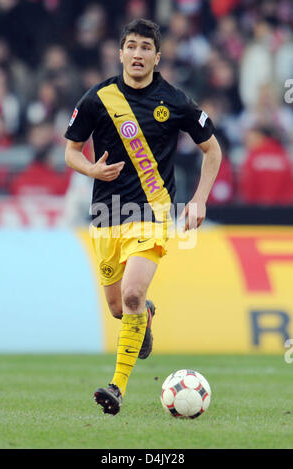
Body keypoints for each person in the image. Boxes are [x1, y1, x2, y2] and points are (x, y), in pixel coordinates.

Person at [64, 19, 221, 415]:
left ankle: (116, 387)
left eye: (145, 47)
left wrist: (199, 199)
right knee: (120, 309)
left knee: (133, 293)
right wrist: (91, 170)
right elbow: (70, 151)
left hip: (151, 216)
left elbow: (213, 151)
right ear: (120, 53)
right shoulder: (98, 98)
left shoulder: (176, 101)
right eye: (131, 46)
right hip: (105, 216)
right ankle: (144, 317)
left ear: (157, 55)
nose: (137, 54)